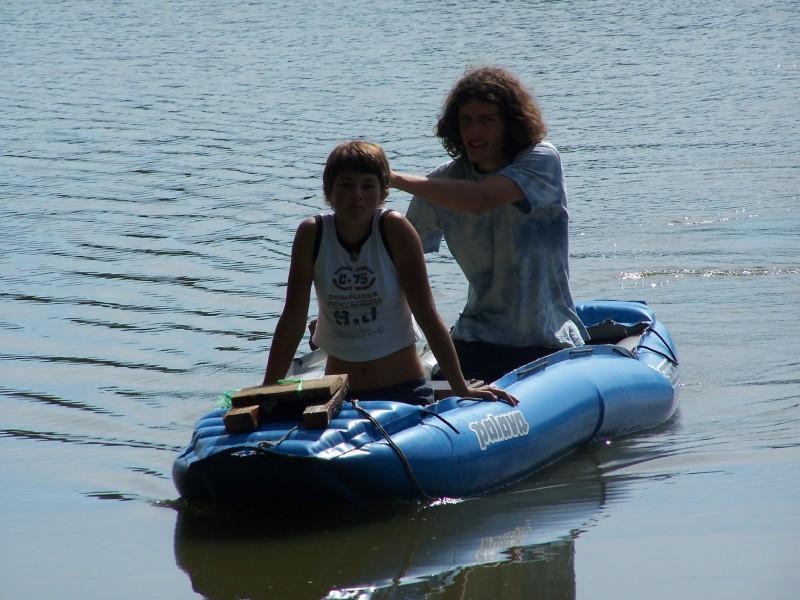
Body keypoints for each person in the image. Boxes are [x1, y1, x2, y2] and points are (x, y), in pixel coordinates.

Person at [262, 140, 516, 405]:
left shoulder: (394, 229)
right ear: (329, 191)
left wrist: (460, 386)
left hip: (404, 389)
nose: (357, 195)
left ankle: (443, 389)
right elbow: (292, 319)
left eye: (367, 186)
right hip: (340, 394)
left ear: (383, 191)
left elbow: (427, 314)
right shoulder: (311, 233)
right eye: (346, 185)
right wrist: (266, 390)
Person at [390, 66, 589, 383]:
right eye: (466, 121)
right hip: (475, 338)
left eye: (486, 121)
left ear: (509, 125)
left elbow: (481, 198)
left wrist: (392, 178)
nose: (474, 132)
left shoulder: (541, 160)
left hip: (545, 337)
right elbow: (395, 260)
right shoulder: (443, 181)